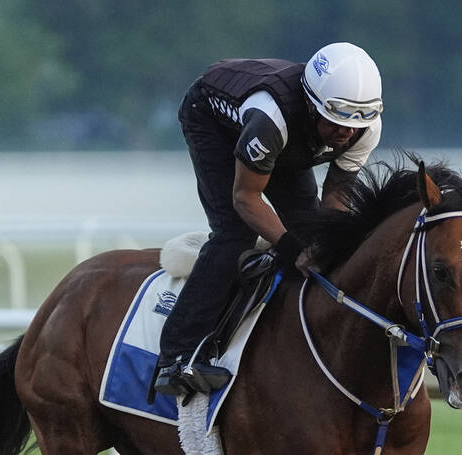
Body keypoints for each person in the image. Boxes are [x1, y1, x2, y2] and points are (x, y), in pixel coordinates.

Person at [153, 42, 384, 397]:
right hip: (213, 119)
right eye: (337, 122)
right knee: (235, 233)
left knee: (315, 239)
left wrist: (327, 246)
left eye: (355, 126)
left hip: (288, 140)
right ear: (312, 104)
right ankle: (176, 355)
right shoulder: (271, 117)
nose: (346, 134)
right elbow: (245, 198)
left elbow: (336, 198)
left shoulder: (364, 128)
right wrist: (294, 248)